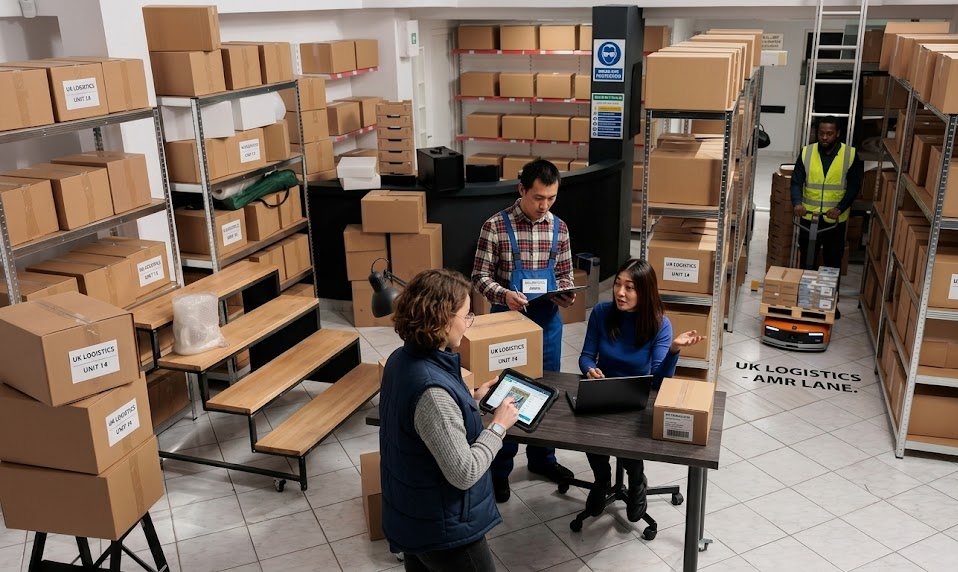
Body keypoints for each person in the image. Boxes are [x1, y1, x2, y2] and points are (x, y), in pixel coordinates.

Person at [379, 269, 519, 572]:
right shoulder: (432, 391)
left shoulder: (399, 360)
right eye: (467, 316)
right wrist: (498, 427)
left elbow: (427, 429)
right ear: (442, 319)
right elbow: (465, 472)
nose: (469, 324)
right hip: (445, 531)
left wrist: (472, 401)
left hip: (414, 516)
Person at [472, 158, 576, 503]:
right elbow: (479, 278)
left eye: (551, 198)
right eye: (538, 198)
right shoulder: (495, 227)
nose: (544, 205)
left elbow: (565, 275)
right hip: (507, 324)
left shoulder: (559, 228)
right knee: (508, 394)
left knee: (549, 391)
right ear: (521, 191)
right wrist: (504, 295)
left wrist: (566, 292)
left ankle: (543, 459)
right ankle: (500, 469)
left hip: (547, 325)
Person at [578, 259, 704, 522]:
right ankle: (602, 480)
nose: (620, 292)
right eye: (617, 284)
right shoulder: (601, 313)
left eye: (630, 287)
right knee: (588, 433)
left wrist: (673, 350)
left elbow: (658, 381)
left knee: (627, 439)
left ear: (645, 291)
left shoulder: (659, 324)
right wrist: (590, 369)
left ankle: (637, 482)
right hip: (603, 390)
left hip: (637, 397)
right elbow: (587, 356)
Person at [791, 115, 863, 318]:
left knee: (832, 262)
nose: (824, 137)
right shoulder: (807, 152)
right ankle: (805, 300)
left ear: (837, 134)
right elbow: (796, 181)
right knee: (807, 259)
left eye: (829, 133)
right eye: (821, 133)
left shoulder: (850, 155)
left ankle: (829, 302)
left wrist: (840, 208)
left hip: (834, 221)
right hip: (809, 217)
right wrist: (797, 202)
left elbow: (855, 186)